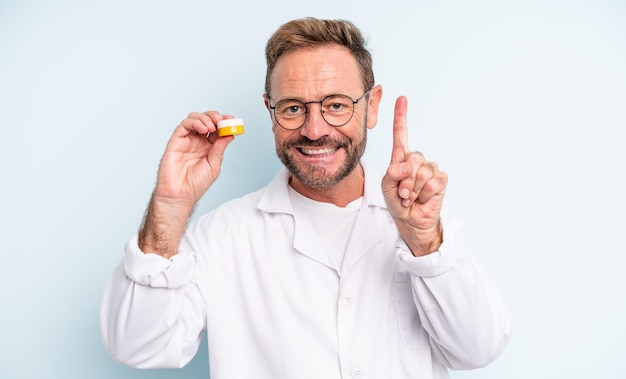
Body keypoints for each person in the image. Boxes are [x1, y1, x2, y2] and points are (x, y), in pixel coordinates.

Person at [100, 17, 510, 379]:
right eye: (293, 108)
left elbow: (477, 349)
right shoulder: (220, 238)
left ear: (372, 107)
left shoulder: (428, 222)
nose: (315, 130)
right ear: (269, 110)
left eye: (336, 105)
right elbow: (138, 347)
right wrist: (170, 207)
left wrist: (424, 244)